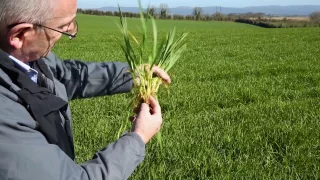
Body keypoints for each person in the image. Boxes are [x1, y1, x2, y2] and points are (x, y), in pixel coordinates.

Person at [0, 0, 171, 179]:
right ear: (19, 35)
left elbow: (65, 75)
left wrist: (132, 75)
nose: (70, 31)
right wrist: (138, 138)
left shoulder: (29, 58)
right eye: (62, 26)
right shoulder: (5, 116)